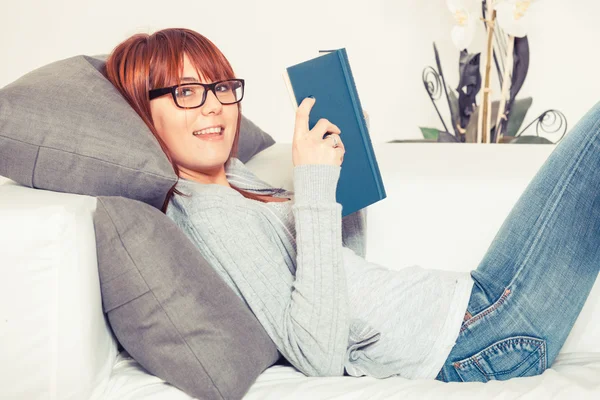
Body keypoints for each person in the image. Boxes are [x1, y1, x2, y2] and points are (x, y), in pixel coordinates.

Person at [104, 27, 600, 383]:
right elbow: (318, 353)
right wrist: (313, 180)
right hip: (478, 338)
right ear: (143, 114)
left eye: (220, 87)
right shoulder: (206, 214)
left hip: (472, 309)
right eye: (186, 92)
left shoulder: (232, 180)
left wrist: (344, 171)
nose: (213, 105)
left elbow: (338, 284)